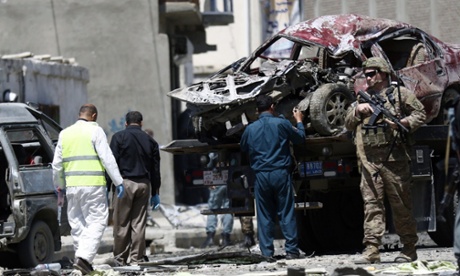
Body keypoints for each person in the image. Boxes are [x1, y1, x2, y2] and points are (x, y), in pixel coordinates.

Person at [344, 57, 426, 264]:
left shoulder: (400, 95)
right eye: (366, 74)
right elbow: (347, 123)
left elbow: (420, 113)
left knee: (401, 206)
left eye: (372, 74)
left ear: (383, 73)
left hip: (395, 161)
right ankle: (372, 250)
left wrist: (404, 122)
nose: (368, 78)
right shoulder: (362, 99)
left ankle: (409, 248)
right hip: (370, 162)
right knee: (372, 207)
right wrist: (357, 110)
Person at [52, 104, 125, 275]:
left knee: (78, 224)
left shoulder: (65, 133)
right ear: (93, 115)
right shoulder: (95, 130)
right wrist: (118, 181)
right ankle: (84, 258)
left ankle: (81, 262)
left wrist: (60, 187)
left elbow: (56, 165)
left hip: (72, 186)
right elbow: (107, 158)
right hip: (93, 185)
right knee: (98, 220)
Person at [240, 94, 305, 259]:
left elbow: (243, 147)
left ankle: (267, 253)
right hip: (280, 174)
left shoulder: (250, 129)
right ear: (272, 107)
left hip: (261, 176)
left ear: (257, 110)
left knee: (264, 215)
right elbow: (300, 139)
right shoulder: (282, 124)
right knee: (286, 212)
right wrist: (299, 121)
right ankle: (291, 251)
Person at [109, 111, 161, 266]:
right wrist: (155, 192)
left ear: (126, 123)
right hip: (144, 185)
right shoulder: (150, 141)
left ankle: (120, 259)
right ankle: (136, 259)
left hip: (123, 184)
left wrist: (108, 185)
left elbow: (111, 164)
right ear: (141, 123)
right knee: (138, 224)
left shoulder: (118, 137)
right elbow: (155, 169)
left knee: (121, 223)